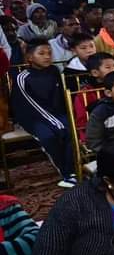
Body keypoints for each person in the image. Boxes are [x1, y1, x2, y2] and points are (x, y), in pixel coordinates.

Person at [11, 39, 76, 185]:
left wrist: (62, 117)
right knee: (49, 136)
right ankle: (65, 173)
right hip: (34, 117)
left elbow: (61, 96)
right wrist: (54, 122)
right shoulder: (23, 77)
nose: (47, 56)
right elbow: (30, 105)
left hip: (56, 114)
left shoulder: (54, 71)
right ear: (30, 57)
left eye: (49, 53)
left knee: (70, 131)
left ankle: (72, 170)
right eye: (41, 53)